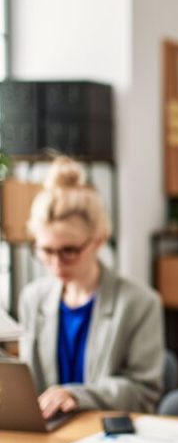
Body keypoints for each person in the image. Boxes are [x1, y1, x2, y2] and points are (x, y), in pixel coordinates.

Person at [19, 156, 164, 418]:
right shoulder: (32, 299)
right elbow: (29, 385)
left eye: (69, 251)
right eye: (45, 251)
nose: (55, 264)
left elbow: (144, 393)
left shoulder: (140, 303)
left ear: (98, 240)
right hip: (48, 439)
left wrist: (77, 395)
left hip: (104, 437)